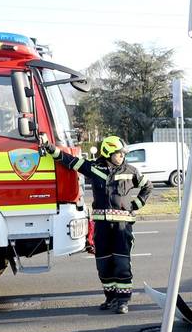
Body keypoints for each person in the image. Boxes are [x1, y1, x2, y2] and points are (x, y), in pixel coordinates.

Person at [40, 134, 152, 314]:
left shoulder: (130, 171)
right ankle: (111, 298)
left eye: (123, 154)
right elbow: (69, 161)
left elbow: (148, 187)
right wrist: (49, 147)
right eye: (118, 153)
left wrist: (135, 205)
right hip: (101, 227)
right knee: (103, 263)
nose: (121, 156)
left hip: (122, 227)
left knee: (122, 263)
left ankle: (123, 300)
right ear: (108, 152)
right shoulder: (94, 168)